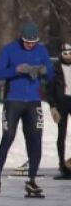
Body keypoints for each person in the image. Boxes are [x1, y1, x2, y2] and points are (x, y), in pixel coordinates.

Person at [0, 21, 55, 198]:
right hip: (13, 101)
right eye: (27, 42)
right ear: (21, 38)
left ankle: (32, 180)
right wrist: (16, 70)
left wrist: (42, 71)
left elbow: (50, 74)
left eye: (33, 43)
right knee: (8, 137)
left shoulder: (41, 51)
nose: (30, 46)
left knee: (35, 139)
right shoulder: (9, 50)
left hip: (33, 101)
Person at [47, 41, 71, 179]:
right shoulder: (55, 68)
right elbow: (49, 90)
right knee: (61, 134)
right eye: (65, 54)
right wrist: (52, 106)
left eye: (70, 53)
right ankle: (62, 164)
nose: (68, 56)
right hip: (62, 104)